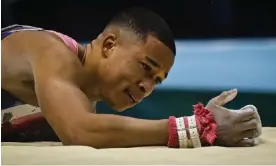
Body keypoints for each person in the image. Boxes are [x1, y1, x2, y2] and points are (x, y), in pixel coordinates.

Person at [1, 7, 259, 148]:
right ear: (109, 45)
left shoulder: (80, 102)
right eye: (146, 67)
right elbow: (79, 131)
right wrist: (198, 127)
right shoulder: (51, 51)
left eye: (157, 81)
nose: (147, 87)